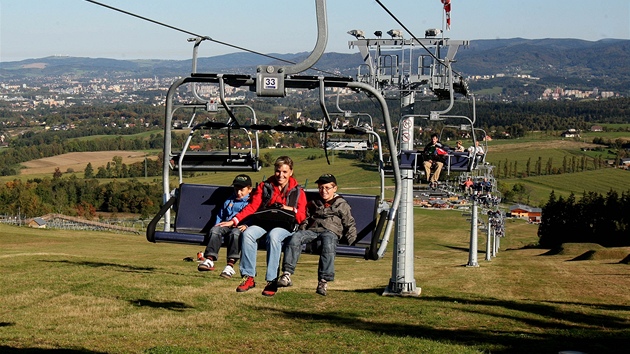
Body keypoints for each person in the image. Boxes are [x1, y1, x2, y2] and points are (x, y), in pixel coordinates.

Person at [217, 156, 307, 297]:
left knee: (274, 236)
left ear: (290, 172)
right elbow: (253, 207)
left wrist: (290, 209)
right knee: (248, 234)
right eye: (278, 171)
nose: (280, 175)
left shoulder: (298, 191)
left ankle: (271, 280)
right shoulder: (265, 187)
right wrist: (234, 221)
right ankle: (248, 277)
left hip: (284, 225)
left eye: (284, 172)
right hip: (265, 222)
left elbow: (301, 215)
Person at [277, 174, 357, 296]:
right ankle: (287, 274)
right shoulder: (315, 203)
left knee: (328, 242)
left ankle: (323, 280)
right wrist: (302, 229)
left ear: (334, 188)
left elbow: (349, 222)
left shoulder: (341, 204)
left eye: (327, 188)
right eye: (320, 188)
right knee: (295, 238)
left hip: (330, 231)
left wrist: (352, 240)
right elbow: (307, 218)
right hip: (313, 230)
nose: (323, 191)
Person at [198, 174, 252, 279]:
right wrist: (217, 224)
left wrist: (247, 225)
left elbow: (252, 216)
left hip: (240, 226)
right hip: (226, 224)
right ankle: (209, 259)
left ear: (249, 189)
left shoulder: (250, 203)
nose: (238, 193)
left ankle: (230, 265)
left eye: (242, 190)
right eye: (236, 190)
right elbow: (220, 214)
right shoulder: (229, 200)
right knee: (215, 230)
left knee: (235, 234)